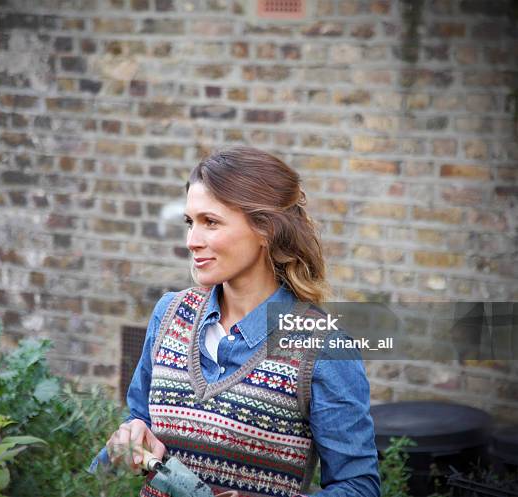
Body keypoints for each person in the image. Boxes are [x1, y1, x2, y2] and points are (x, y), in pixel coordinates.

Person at [89, 146, 381, 497]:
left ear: (265, 230)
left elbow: (359, 487)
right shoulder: (169, 314)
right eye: (190, 222)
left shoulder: (323, 347)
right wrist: (129, 438)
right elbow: (137, 423)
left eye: (210, 222)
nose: (191, 241)